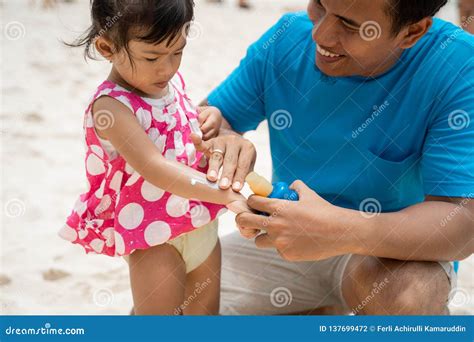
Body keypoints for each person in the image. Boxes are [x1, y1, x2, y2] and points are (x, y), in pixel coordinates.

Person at [202, 0, 474, 315]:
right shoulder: (288, 37)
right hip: (287, 239)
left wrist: (339, 231)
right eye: (319, 4)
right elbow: (206, 122)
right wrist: (224, 140)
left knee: (410, 297)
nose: (321, 34)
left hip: (388, 256)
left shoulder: (457, 64)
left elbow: (462, 222)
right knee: (171, 296)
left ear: (412, 32)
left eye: (349, 24)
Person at [59, 0, 251, 315]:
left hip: (201, 226)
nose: (168, 68)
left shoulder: (167, 83)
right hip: (153, 238)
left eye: (177, 51)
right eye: (152, 57)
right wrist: (226, 193)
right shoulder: (112, 107)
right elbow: (156, 167)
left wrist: (208, 117)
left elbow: (179, 133)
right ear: (108, 48)